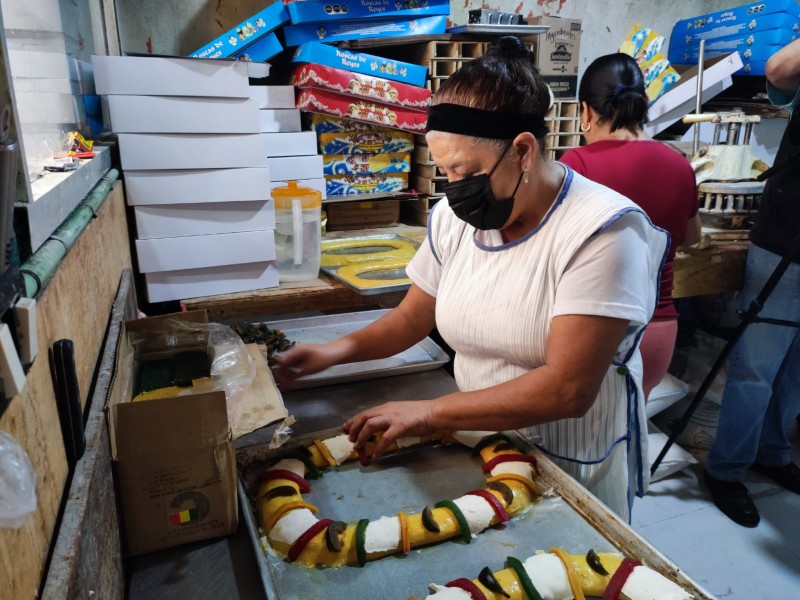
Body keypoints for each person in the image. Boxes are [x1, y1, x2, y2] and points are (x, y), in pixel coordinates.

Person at [274, 36, 668, 521]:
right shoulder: (452, 218)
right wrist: (330, 355)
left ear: (523, 151)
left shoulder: (602, 230)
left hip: (567, 460)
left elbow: (568, 388)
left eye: (465, 171)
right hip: (478, 437)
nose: (456, 190)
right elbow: (412, 317)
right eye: (445, 172)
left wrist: (429, 411)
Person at [560, 53, 701, 401]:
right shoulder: (679, 165)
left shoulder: (575, 166)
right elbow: (692, 238)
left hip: (592, 331)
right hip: (657, 329)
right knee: (627, 434)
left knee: (578, 444)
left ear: (586, 112)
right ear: (643, 104)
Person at [703, 38, 800, 528]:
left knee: (797, 368)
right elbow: (780, 69)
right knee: (756, 366)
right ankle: (726, 468)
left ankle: (773, 452)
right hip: (787, 234)